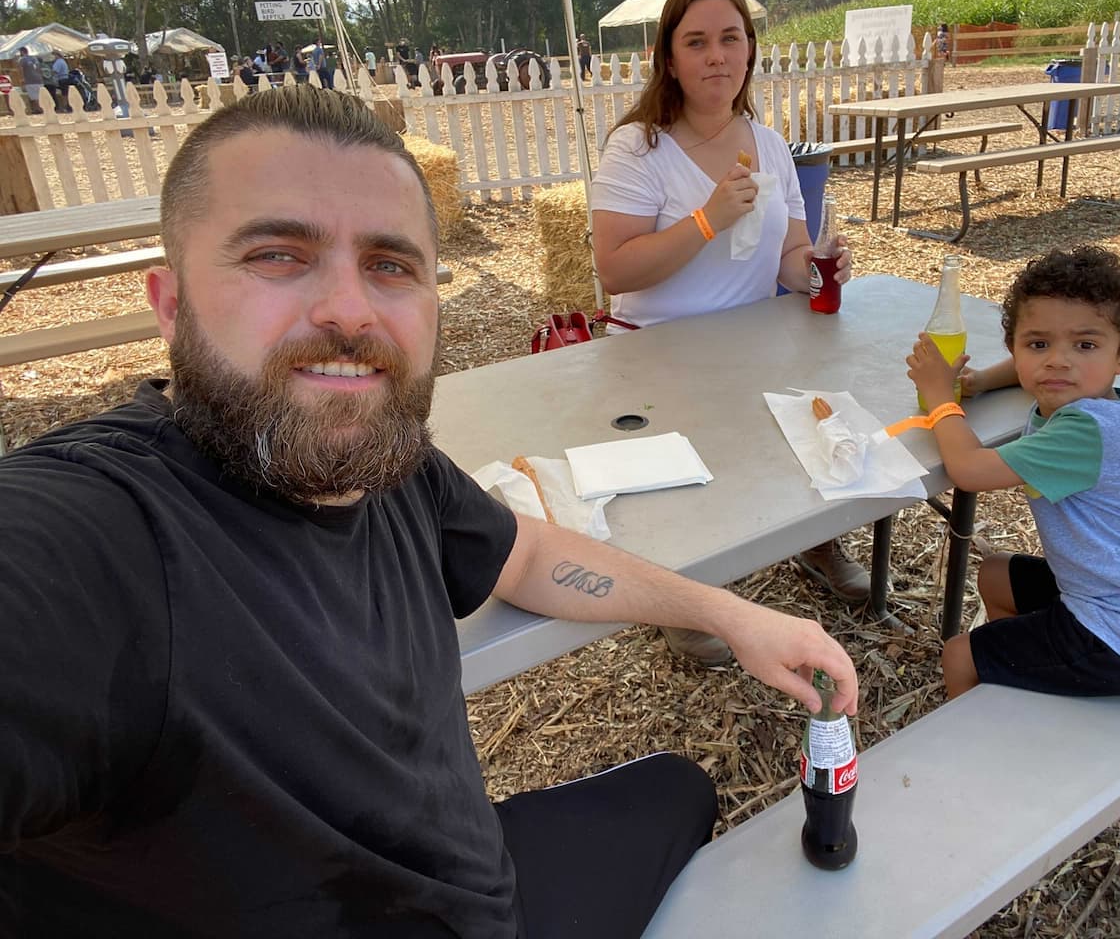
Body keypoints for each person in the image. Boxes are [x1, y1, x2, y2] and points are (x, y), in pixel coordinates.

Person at [0, 85, 859, 937]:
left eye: (390, 264)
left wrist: (730, 614)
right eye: (277, 254)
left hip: (483, 891)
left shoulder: (390, 463)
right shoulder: (99, 537)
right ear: (171, 305)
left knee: (682, 786)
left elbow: (519, 553)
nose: (348, 308)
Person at [588, 0, 870, 665]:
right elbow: (616, 270)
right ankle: (685, 592)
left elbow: (786, 257)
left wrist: (817, 267)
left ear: (749, 52)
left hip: (750, 338)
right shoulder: (638, 149)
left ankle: (816, 540)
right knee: (687, 478)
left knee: (809, 420)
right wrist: (709, 218)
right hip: (655, 349)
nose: (716, 55)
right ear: (670, 59)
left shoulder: (770, 145)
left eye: (730, 39)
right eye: (697, 42)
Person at [905, 246, 1120, 700]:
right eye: (1038, 344)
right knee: (995, 573)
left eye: (1085, 345)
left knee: (959, 655)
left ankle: (975, 756)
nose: (1058, 362)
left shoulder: (1086, 432)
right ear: (1016, 346)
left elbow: (967, 469)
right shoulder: (1095, 399)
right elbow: (1040, 360)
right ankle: (1020, 687)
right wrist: (983, 380)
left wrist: (939, 397)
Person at [17, 46, 42, 113]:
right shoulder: (34, 58)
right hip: (38, 79)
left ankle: (38, 109)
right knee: (39, 95)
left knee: (33, 96)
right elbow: (39, 68)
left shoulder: (22, 59)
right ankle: (37, 108)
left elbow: (20, 69)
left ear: (22, 52)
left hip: (30, 79)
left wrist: (22, 79)